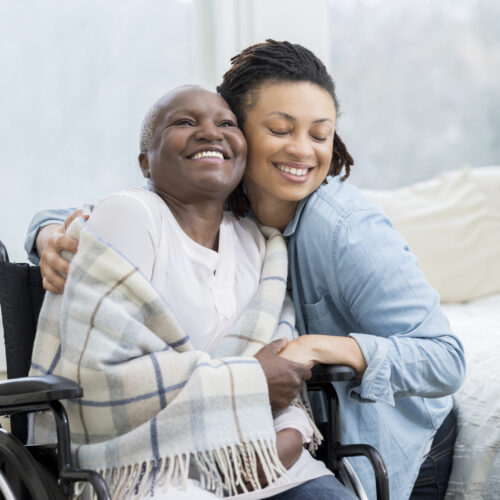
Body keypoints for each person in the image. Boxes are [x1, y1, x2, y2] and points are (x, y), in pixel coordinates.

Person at [26, 41, 465, 500]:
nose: (302, 151)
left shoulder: (345, 230)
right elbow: (115, 209)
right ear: (241, 132)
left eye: (320, 136)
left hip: (387, 438)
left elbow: (446, 357)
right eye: (279, 129)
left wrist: (316, 346)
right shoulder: (220, 200)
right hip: (246, 432)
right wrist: (48, 231)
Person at [29, 85, 356, 500]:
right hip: (153, 469)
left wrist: (284, 439)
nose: (210, 133)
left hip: (260, 457)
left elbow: (282, 372)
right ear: (145, 162)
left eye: (226, 124)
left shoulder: (259, 243)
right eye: (185, 122)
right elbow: (103, 377)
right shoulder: (132, 215)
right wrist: (249, 379)